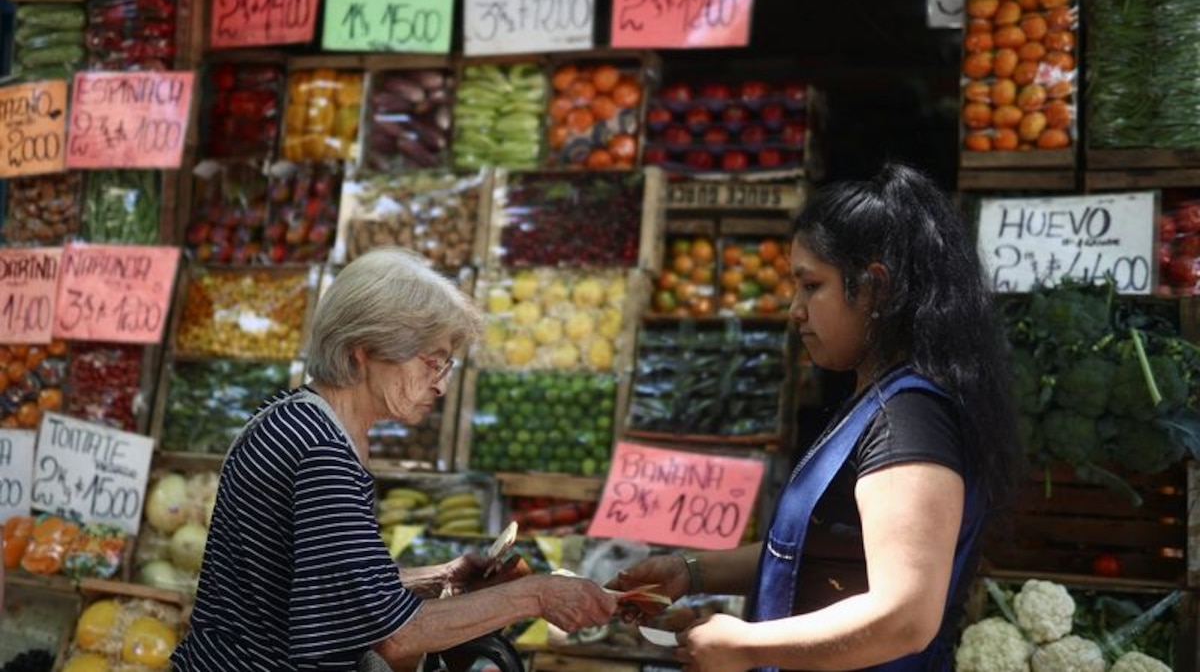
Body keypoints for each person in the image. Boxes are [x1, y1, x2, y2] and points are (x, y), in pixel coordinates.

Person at [608, 163, 1021, 672]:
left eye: (811, 286)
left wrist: (747, 645)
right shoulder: (882, 398)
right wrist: (690, 572)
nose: (794, 309)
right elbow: (822, 548)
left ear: (875, 288)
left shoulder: (911, 420)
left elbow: (907, 616)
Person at [173, 247, 617, 671]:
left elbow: (321, 582)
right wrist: (538, 596)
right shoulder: (321, 451)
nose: (441, 386)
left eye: (446, 366)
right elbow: (395, 636)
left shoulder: (293, 416)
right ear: (364, 350)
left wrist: (437, 577)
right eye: (431, 362)